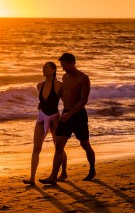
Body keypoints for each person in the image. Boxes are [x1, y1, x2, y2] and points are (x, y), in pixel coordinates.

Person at [39, 53, 96, 185]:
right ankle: (54, 176)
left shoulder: (83, 78)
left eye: (64, 65)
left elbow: (83, 101)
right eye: (61, 66)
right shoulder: (65, 77)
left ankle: (92, 170)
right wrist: (45, 102)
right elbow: (61, 95)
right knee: (59, 145)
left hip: (78, 115)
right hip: (65, 114)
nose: (63, 69)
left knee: (85, 144)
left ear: (72, 63)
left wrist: (70, 114)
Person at [23, 62, 67, 185]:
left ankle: (63, 173)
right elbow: (44, 101)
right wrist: (41, 105)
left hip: (54, 118)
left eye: (46, 67)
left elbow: (66, 102)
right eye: (43, 67)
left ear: (53, 70)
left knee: (58, 147)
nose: (44, 69)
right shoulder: (39, 85)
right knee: (36, 148)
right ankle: (32, 178)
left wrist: (66, 116)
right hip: (41, 118)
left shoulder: (59, 85)